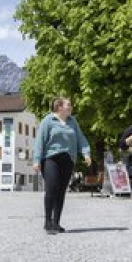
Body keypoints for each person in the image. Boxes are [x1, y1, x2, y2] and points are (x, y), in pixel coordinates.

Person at [33, 97, 92, 235]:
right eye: (68, 105)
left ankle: (56, 222)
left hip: (68, 160)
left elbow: (80, 138)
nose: (71, 107)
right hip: (51, 158)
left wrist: (86, 153)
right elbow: (40, 141)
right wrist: (36, 160)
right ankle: (48, 222)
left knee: (61, 191)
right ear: (59, 107)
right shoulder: (48, 121)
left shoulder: (72, 121)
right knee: (52, 187)